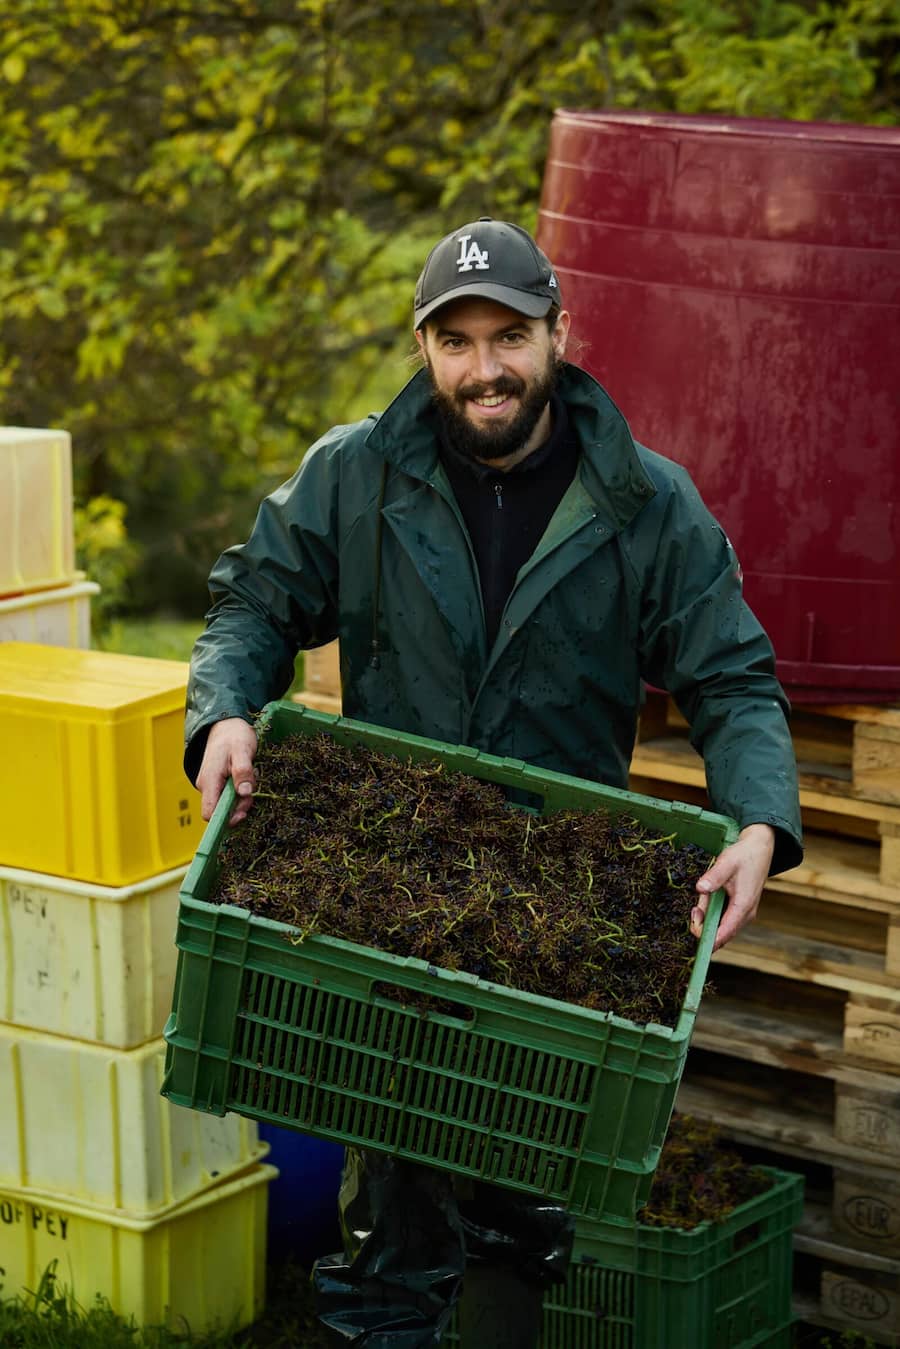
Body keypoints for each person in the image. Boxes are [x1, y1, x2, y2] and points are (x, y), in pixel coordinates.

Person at [185, 217, 803, 1347]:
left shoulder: (645, 504)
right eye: (456, 340)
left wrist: (761, 816)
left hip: (555, 901)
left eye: (509, 334)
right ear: (424, 348)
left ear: (559, 331)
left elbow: (734, 676)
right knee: (396, 1192)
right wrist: (225, 707)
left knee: (524, 1191)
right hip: (396, 879)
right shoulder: (357, 473)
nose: (486, 368)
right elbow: (255, 599)